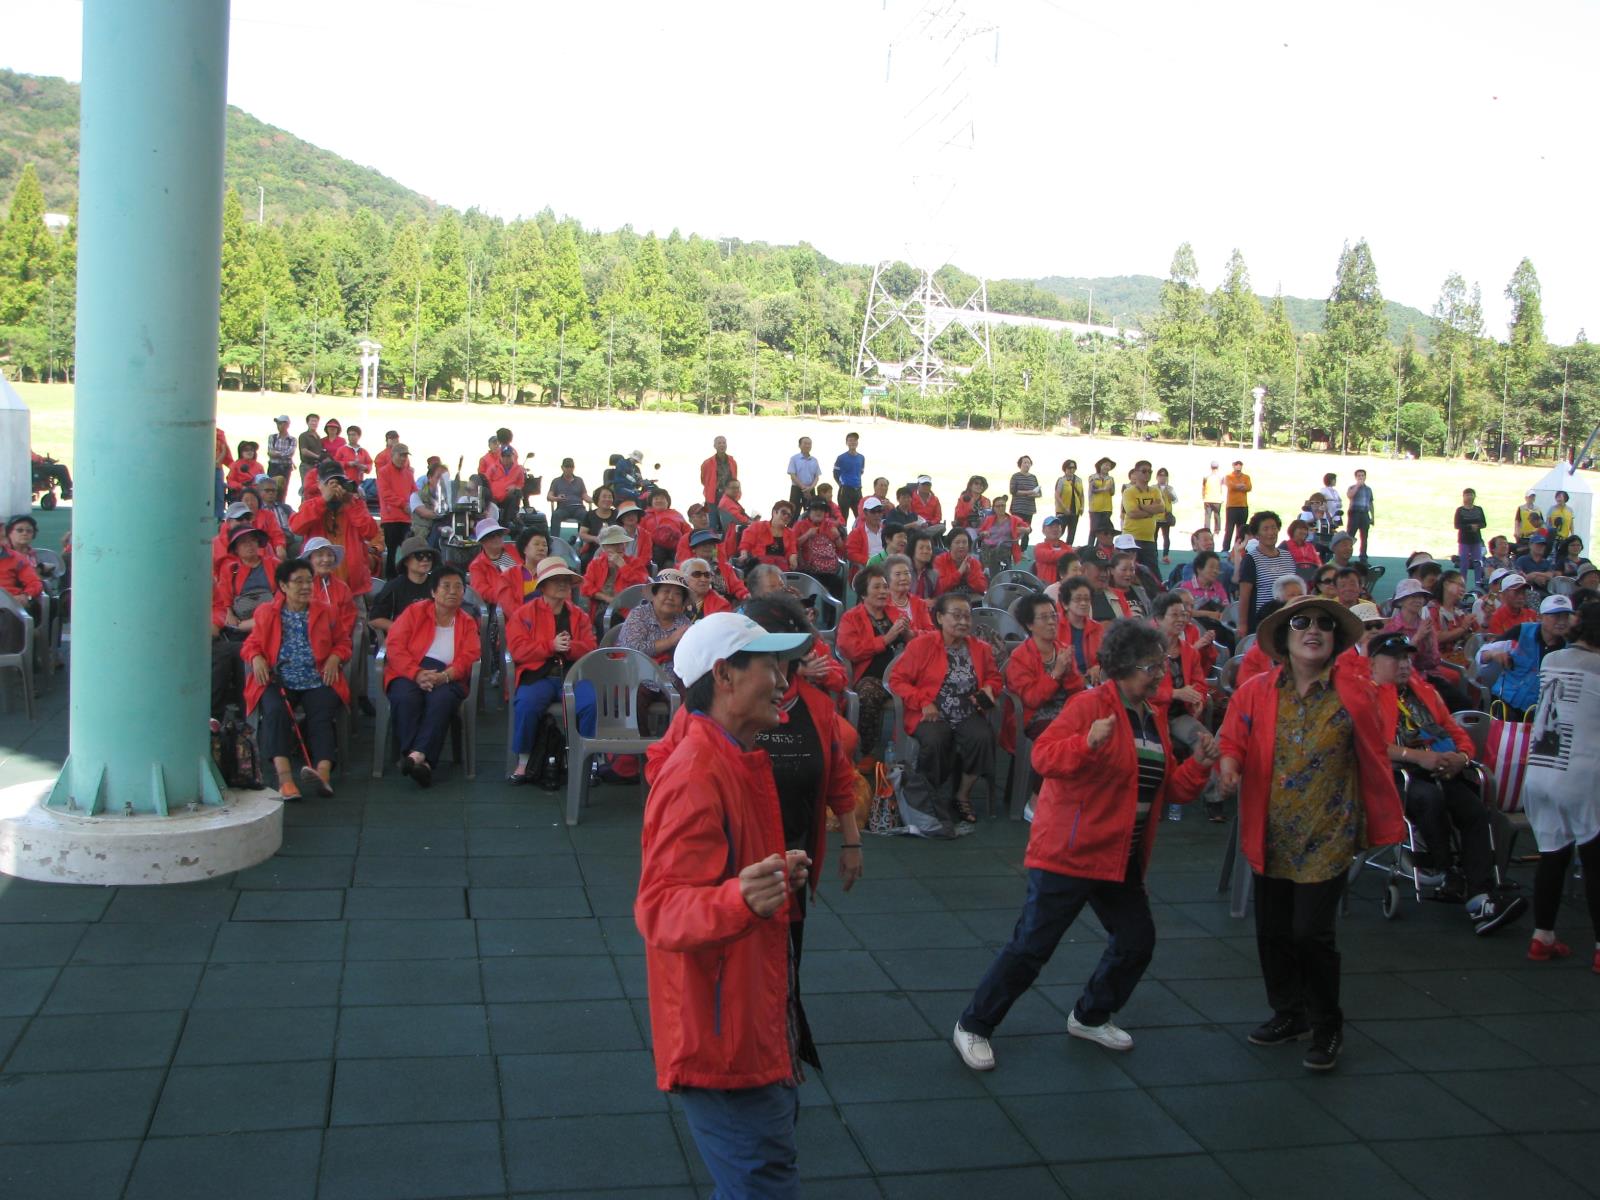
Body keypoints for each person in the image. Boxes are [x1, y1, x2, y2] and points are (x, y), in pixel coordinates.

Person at [953, 619, 1219, 1071]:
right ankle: (974, 1025)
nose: (1158, 673)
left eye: (1161, 664)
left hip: (1120, 855)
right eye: (1150, 666)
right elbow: (1044, 758)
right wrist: (1087, 743)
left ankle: (1090, 1015)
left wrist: (1197, 765)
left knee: (1136, 942)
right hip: (1071, 852)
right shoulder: (1088, 704)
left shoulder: (1152, 716)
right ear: (1122, 667)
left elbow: (1168, 789)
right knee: (1033, 945)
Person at [634, 612, 816, 1197]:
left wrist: (761, 877)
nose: (785, 679)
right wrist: (741, 897)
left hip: (744, 1017)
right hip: (724, 1036)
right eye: (770, 665)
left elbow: (716, 878)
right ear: (725, 676)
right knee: (763, 1183)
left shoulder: (729, 756)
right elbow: (660, 910)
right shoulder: (697, 773)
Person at [1218, 595, 1403, 1072]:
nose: (1313, 629)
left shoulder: (1355, 693)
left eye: (1324, 623)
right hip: (1271, 830)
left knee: (1310, 933)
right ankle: (1288, 1013)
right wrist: (1229, 766)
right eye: (1301, 622)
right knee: (1273, 931)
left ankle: (1327, 1025)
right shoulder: (1257, 690)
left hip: (1329, 830)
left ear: (1337, 639)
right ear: (1284, 636)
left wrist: (1383, 818)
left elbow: (1377, 753)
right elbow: (1232, 738)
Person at [1368, 632, 1527, 935]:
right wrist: (1416, 757)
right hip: (1392, 777)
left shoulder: (1426, 691)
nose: (1403, 664)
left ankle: (1481, 898)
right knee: (1430, 798)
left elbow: (1456, 732)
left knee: (1475, 812)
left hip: (1441, 769)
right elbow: (1369, 745)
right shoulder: (1365, 695)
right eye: (1395, 658)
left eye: (1406, 658)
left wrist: (1463, 758)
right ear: (1373, 662)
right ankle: (1446, 871)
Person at [1520, 600, 1600, 971]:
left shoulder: (1552, 661)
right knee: (1596, 860)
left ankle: (1543, 936)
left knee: (1553, 855)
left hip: (1540, 771)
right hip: (1583, 775)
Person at [888, 592, 1002, 829]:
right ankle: (929, 795)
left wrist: (990, 689)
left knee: (983, 738)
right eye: (956, 616)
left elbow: (993, 677)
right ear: (939, 617)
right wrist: (922, 701)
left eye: (967, 617)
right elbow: (897, 680)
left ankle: (962, 795)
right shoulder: (922, 644)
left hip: (967, 710)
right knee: (936, 739)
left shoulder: (980, 648)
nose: (963, 622)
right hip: (931, 710)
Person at [240, 557, 350, 800]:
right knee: (275, 712)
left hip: (318, 677)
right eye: (297, 581)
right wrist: (256, 657)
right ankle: (285, 779)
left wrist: (335, 657)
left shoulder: (327, 611)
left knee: (321, 715)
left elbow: (344, 642)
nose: (305, 587)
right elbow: (251, 644)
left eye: (309, 581)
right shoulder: (266, 612)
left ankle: (322, 774)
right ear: (283, 586)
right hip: (278, 679)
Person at [383, 565, 480, 788]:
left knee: (442, 699)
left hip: (449, 674)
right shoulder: (414, 612)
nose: (453, 591)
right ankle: (423, 761)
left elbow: (470, 655)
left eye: (458, 587)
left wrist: (445, 676)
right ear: (433, 592)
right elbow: (395, 646)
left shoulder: (466, 621)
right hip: (410, 669)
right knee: (406, 697)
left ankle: (415, 756)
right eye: (446, 586)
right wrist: (416, 673)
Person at [504, 558, 598, 787]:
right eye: (556, 580)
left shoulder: (579, 615)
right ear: (543, 586)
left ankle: (587, 760)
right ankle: (524, 760)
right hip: (539, 675)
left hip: (573, 675)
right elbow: (517, 651)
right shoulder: (524, 614)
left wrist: (570, 647)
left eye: (566, 580)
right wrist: (550, 646)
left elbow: (591, 648)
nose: (563, 585)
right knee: (526, 704)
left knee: (592, 702)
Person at [1002, 593, 1085, 801]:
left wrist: (1069, 673)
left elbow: (1077, 691)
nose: (1051, 622)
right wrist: (1056, 673)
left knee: (1093, 732)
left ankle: (1078, 795)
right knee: (1057, 737)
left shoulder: (1063, 650)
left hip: (1064, 712)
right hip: (1033, 717)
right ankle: (1038, 797)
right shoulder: (1021, 656)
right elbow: (1031, 699)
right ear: (1030, 625)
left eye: (1053, 616)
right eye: (1044, 618)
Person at [837, 563, 915, 757]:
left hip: (901, 675)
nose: (883, 592)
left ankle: (912, 752)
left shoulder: (895, 612)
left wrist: (908, 634)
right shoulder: (851, 617)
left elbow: (917, 643)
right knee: (868, 693)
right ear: (864, 594)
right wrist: (886, 639)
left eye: (885, 586)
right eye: (877, 587)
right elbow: (850, 650)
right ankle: (865, 751)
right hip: (872, 677)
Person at [1477, 595, 1575, 719]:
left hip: (1540, 713)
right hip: (1504, 702)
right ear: (1540, 617)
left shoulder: (1570, 648)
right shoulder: (1521, 631)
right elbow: (1482, 654)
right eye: (1556, 616)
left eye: (1566, 616)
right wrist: (1493, 654)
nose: (1562, 622)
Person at [1384, 579, 1468, 709]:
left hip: (1427, 676)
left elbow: (1433, 661)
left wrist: (1428, 641)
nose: (1417, 600)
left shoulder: (1427, 625)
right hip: (1401, 680)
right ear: (1400, 601)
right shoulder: (1391, 628)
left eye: (1420, 597)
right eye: (1412, 596)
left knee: (1462, 702)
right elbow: (1395, 662)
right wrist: (1418, 637)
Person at [1237, 511, 1296, 636]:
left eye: (1274, 528)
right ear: (1257, 535)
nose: (1271, 532)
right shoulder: (1251, 559)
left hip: (1288, 617)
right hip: (1262, 619)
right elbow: (1244, 596)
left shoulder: (1287, 556)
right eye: (1265, 529)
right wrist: (1242, 624)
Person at [580, 525, 649, 628]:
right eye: (614, 544)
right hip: (602, 606)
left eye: (622, 543)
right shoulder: (596, 564)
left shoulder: (634, 563)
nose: (620, 547)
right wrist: (606, 598)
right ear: (604, 547)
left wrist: (623, 566)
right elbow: (585, 587)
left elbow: (641, 584)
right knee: (603, 619)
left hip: (628, 607)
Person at [619, 570, 694, 663]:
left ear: (682, 602)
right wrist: (669, 642)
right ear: (654, 595)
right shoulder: (639, 614)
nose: (671, 597)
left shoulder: (684, 623)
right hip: (634, 672)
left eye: (677, 594)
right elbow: (631, 649)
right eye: (666, 591)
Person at [301, 536, 359, 653]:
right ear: (309, 559)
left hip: (333, 646)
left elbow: (347, 621)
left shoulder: (342, 588)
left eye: (329, 555)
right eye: (320, 555)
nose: (326, 559)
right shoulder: (296, 586)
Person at [368, 537, 437, 635]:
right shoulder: (394, 586)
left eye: (429, 556)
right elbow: (374, 619)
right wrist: (401, 628)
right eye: (419, 556)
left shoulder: (438, 584)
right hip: (403, 641)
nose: (425, 559)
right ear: (406, 561)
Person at [375, 444, 418, 578]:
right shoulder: (383, 472)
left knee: (406, 552)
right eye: (401, 455)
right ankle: (391, 582)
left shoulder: (408, 474)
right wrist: (403, 505)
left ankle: (405, 579)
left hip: (406, 519)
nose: (403, 458)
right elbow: (386, 494)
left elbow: (415, 491)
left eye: (405, 455)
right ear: (392, 455)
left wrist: (417, 504)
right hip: (391, 519)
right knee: (392, 552)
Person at [793, 496, 845, 597]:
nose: (819, 512)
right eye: (815, 509)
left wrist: (837, 536)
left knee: (838, 584)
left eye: (822, 509)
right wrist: (806, 535)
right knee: (810, 587)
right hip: (808, 570)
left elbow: (843, 550)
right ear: (809, 511)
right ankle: (808, 611)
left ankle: (832, 612)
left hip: (829, 571)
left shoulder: (830, 525)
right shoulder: (800, 525)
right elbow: (792, 546)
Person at [1119, 460, 1164, 575]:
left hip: (1149, 539)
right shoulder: (1129, 492)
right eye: (1144, 471)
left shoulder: (1155, 491)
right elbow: (1132, 513)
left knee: (1153, 574)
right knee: (1129, 571)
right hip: (1131, 538)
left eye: (1150, 471)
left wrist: (1142, 506)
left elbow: (1161, 508)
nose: (1147, 474)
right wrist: (1151, 511)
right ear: (1135, 473)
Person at [1059, 577, 1106, 685]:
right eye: (1078, 599)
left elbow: (1107, 659)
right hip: (1063, 684)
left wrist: (1099, 667)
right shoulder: (1054, 627)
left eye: (1087, 599)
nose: (1084, 603)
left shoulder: (1098, 628)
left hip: (1092, 683)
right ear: (1065, 604)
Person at [640, 489, 691, 571]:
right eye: (656, 498)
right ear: (651, 502)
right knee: (657, 554)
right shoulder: (645, 515)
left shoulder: (676, 514)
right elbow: (640, 532)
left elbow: (687, 531)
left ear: (667, 502)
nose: (659, 500)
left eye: (662, 498)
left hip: (676, 546)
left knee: (683, 558)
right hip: (654, 547)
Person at [739, 502, 799, 571]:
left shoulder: (791, 533)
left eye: (789, 515)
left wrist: (793, 558)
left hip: (780, 571)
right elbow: (746, 543)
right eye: (783, 512)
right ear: (774, 512)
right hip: (758, 568)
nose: (786, 516)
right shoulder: (757, 526)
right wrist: (743, 554)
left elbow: (792, 550)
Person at [883, 552, 934, 633]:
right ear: (887, 578)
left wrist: (912, 633)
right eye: (898, 574)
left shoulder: (920, 603)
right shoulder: (882, 604)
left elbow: (930, 632)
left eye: (906, 573)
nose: (903, 578)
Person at [932, 528, 988, 597]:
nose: (961, 546)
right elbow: (939, 587)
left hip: (972, 601)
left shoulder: (974, 562)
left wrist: (969, 573)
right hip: (947, 601)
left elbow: (982, 588)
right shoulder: (940, 560)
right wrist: (959, 572)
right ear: (950, 545)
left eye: (964, 542)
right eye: (957, 542)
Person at [978, 495, 1027, 571]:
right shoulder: (989, 519)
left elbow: (1028, 528)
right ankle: (987, 570)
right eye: (998, 506)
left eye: (1002, 505)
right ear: (994, 508)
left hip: (1004, 545)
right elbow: (980, 532)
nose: (1000, 508)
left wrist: (1024, 529)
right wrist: (984, 533)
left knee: (995, 551)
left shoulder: (1014, 519)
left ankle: (989, 571)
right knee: (983, 548)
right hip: (988, 545)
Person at [1454, 487, 1488, 589]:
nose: (1469, 497)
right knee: (1463, 564)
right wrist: (1469, 527)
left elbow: (1484, 523)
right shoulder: (1460, 510)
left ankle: (1478, 585)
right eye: (1467, 495)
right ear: (1463, 497)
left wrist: (1477, 526)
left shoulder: (1479, 509)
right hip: (1464, 540)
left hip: (1476, 540)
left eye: (1471, 495)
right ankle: (1462, 586)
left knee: (1478, 563)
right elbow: (1457, 525)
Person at [575, 483, 617, 565]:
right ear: (597, 498)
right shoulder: (590, 515)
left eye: (610, 497)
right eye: (604, 496)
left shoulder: (617, 514)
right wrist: (595, 538)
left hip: (615, 549)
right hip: (594, 548)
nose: (607, 499)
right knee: (584, 560)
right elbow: (582, 534)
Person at [546, 458, 589, 537]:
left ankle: (582, 540)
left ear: (574, 468)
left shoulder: (579, 480)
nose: (569, 469)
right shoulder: (556, 481)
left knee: (586, 515)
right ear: (562, 467)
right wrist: (557, 498)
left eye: (571, 467)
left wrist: (593, 499)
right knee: (555, 515)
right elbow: (549, 496)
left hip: (578, 507)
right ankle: (554, 540)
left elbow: (584, 495)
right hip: (563, 508)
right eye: (567, 467)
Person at [1008, 455, 1041, 552]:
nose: (1027, 464)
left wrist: (1034, 494)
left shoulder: (1033, 477)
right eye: (1025, 462)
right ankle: (1014, 550)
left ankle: (1023, 550)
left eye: (1029, 463)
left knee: (1027, 529)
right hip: (1017, 507)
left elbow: (1039, 493)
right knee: (1016, 529)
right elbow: (1013, 491)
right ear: (1020, 464)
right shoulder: (1015, 476)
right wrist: (1028, 492)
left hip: (1029, 508)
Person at [1486, 573, 1536, 637]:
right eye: (1516, 592)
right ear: (1504, 593)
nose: (1521, 596)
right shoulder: (1496, 618)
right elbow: (1498, 645)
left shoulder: (1531, 614)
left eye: (1523, 592)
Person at [844, 496, 889, 567]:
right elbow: (851, 553)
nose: (877, 514)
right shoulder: (856, 533)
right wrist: (870, 561)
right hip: (867, 569)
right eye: (873, 511)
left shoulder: (886, 530)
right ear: (865, 513)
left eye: (879, 511)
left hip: (887, 567)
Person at [832, 431, 865, 524]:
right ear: (846, 443)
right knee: (843, 517)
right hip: (845, 491)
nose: (852, 442)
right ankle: (843, 537)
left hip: (858, 491)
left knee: (860, 516)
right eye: (850, 440)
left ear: (857, 443)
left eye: (855, 440)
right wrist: (841, 484)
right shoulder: (841, 458)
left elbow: (861, 472)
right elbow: (835, 473)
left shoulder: (861, 457)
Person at [698, 435, 737, 510]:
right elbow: (703, 480)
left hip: (729, 496)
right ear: (714, 446)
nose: (722, 445)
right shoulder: (707, 463)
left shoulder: (732, 462)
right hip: (713, 497)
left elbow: (735, 478)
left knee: (727, 521)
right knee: (714, 521)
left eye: (724, 443)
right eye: (719, 443)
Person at [1032, 515, 1071, 584]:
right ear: (1043, 531)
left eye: (1057, 526)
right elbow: (1050, 556)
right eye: (1051, 527)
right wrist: (1069, 553)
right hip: (1045, 587)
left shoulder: (1067, 547)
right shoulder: (1039, 547)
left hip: (1066, 586)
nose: (1055, 529)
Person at [1222, 460, 1251, 552]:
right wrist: (1240, 486)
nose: (1238, 467)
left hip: (1243, 506)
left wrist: (1239, 486)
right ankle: (1225, 548)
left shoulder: (1246, 477)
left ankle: (1237, 548)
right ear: (1233, 466)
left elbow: (1249, 487)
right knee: (1229, 528)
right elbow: (1230, 486)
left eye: (1240, 465)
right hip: (1231, 506)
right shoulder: (1228, 476)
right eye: (1236, 465)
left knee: (1241, 529)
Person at [1053, 459, 1084, 545]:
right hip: (1062, 511)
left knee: (1072, 531)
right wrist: (1064, 508)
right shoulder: (1061, 480)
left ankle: (1068, 547)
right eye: (1070, 468)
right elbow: (1057, 496)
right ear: (1065, 468)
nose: (1072, 470)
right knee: (1059, 531)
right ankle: (1054, 546)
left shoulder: (1078, 480)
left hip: (1075, 510)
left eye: (1074, 468)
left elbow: (1081, 495)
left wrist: (1082, 507)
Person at [1346, 468, 1375, 559]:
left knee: (1364, 536)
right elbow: (1350, 496)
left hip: (1365, 514)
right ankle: (1346, 554)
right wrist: (1357, 486)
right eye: (1359, 476)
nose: (1361, 477)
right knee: (1350, 536)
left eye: (1362, 475)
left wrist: (1372, 516)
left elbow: (1370, 503)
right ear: (1356, 477)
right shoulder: (1352, 487)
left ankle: (1363, 556)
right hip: (1354, 513)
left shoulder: (1368, 489)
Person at [786, 435, 821, 511]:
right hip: (797, 489)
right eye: (805, 443)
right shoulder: (794, 459)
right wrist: (804, 488)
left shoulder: (814, 460)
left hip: (810, 489)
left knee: (810, 511)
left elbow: (817, 477)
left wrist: (810, 488)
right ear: (799, 445)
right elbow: (792, 475)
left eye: (809, 444)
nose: (808, 445)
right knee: (793, 512)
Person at [1086, 457, 1117, 539]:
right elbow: (1093, 490)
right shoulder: (1093, 477)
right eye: (1105, 465)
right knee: (1094, 530)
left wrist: (1110, 489)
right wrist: (1104, 489)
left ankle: (1099, 548)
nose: (1107, 467)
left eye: (1109, 466)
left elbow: (1112, 492)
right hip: (1095, 508)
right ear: (1100, 465)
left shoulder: (1111, 479)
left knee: (1103, 531)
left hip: (1107, 508)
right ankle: (1090, 548)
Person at [1153, 467, 1177, 563]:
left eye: (1164, 476)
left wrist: (1168, 492)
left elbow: (1175, 500)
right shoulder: (1153, 488)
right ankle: (1155, 555)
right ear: (1157, 477)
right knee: (1154, 537)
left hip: (1166, 517)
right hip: (1155, 517)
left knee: (1166, 537)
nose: (1162, 478)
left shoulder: (1170, 488)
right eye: (1160, 475)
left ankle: (1165, 555)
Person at [265, 414, 296, 489]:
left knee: (283, 489)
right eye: (278, 424)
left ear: (287, 425)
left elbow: (290, 453)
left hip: (285, 468)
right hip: (273, 466)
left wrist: (276, 453)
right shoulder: (272, 437)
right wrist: (283, 454)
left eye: (281, 423)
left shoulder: (292, 439)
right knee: (270, 487)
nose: (278, 425)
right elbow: (270, 452)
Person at [296, 413, 323, 487]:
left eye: (316, 421)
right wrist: (317, 456)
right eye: (312, 421)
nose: (314, 423)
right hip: (306, 466)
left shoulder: (318, 437)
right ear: (307, 422)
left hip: (316, 466)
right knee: (306, 487)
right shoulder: (304, 436)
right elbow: (304, 451)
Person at [1201, 460, 1224, 534]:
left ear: (1211, 468)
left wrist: (1203, 496)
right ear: (1218, 468)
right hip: (1217, 499)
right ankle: (1217, 531)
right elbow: (1222, 487)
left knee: (1207, 516)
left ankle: (1207, 531)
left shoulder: (1206, 477)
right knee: (1217, 515)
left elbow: (1203, 487)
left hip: (1208, 499)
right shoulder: (1221, 477)